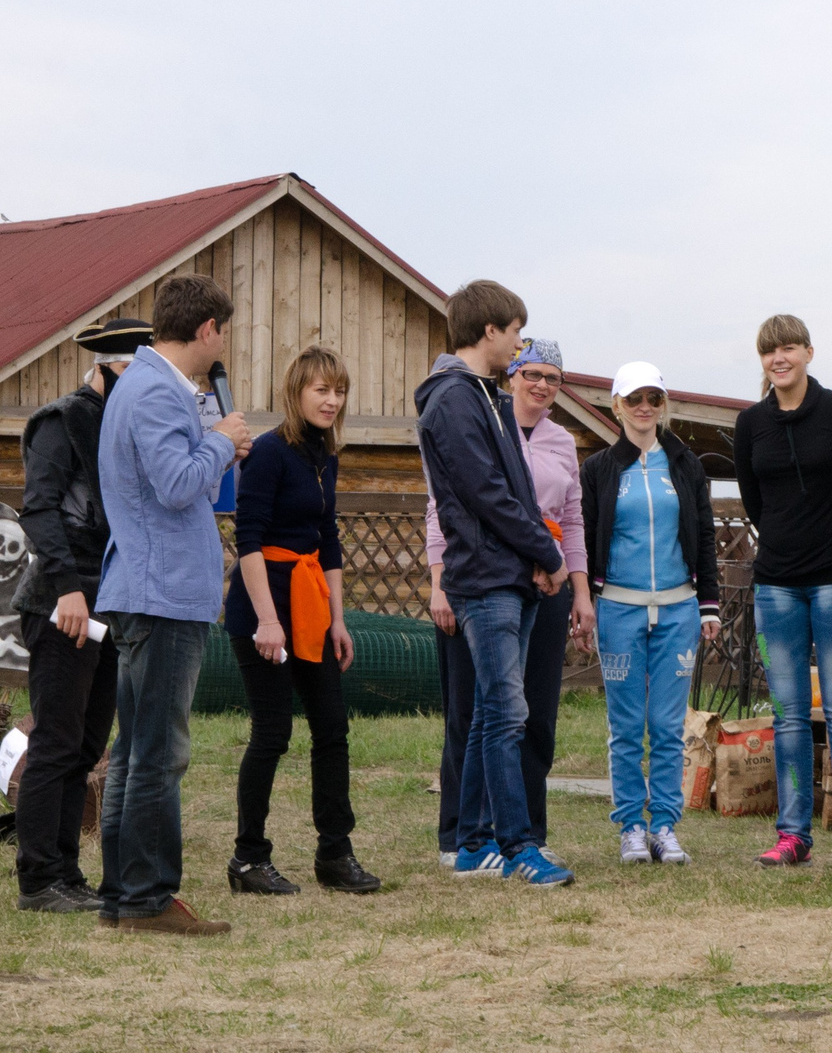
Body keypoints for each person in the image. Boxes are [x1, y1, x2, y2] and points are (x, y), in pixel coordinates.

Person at [95, 274, 253, 936]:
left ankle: (122, 896)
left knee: (135, 751)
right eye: (224, 333)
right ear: (207, 328)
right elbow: (177, 482)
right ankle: (149, 898)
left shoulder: (139, 383)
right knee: (158, 753)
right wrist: (223, 440)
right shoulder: (159, 390)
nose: (223, 347)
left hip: (144, 585)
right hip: (161, 595)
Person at [416, 279, 571, 888]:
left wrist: (539, 555)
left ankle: (474, 842)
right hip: (484, 578)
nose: (517, 346)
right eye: (513, 333)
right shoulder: (454, 399)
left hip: (513, 572)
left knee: (488, 714)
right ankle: (517, 846)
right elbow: (487, 495)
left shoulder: (484, 395)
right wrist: (547, 553)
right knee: (508, 713)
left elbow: (521, 491)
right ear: (489, 331)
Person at [220, 346, 379, 896]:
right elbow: (249, 539)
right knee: (273, 733)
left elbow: (327, 541)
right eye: (321, 390)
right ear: (297, 393)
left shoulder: (324, 456)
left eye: (339, 391)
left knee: (332, 730)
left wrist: (339, 621)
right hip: (263, 608)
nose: (332, 400)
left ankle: (335, 853)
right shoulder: (267, 452)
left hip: (312, 607)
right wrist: (268, 621)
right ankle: (248, 858)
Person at [732, 315, 832, 869]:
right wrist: (785, 542)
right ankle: (792, 835)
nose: (780, 358)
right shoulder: (750, 423)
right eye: (770, 350)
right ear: (763, 359)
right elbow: (754, 502)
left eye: (790, 347)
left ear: (808, 353)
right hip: (777, 585)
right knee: (789, 715)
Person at [12, 317, 151, 914]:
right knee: (57, 739)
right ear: (107, 368)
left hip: (112, 600)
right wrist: (68, 588)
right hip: (62, 602)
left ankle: (66, 872)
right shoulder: (59, 420)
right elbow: (40, 508)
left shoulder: (125, 424)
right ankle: (38, 878)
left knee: (88, 742)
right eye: (131, 374)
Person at [580, 362, 722, 867]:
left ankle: (664, 825)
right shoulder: (598, 469)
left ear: (664, 407)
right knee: (625, 726)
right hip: (619, 608)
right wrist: (587, 602)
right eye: (635, 399)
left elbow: (704, 536)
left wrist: (709, 604)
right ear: (616, 406)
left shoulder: (685, 465)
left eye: (654, 399)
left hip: (680, 609)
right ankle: (631, 828)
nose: (645, 408)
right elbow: (587, 537)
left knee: (666, 725)